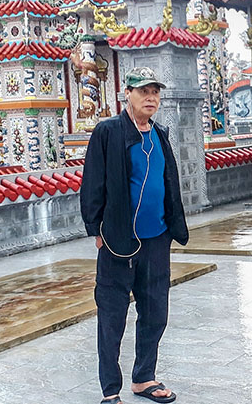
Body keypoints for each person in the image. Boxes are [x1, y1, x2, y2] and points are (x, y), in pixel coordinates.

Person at [80, 67, 189, 404]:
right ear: (127, 93)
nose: (150, 98)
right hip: (118, 242)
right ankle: (110, 390)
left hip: (157, 239)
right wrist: (96, 229)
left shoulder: (159, 134)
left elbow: (168, 181)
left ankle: (144, 378)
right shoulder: (108, 132)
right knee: (112, 316)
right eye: (143, 91)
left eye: (155, 92)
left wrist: (172, 227)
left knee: (155, 312)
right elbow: (92, 182)